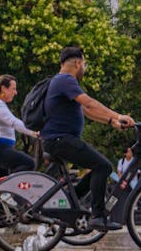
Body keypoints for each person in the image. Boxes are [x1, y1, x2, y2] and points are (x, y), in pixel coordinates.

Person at [40, 46, 135, 231]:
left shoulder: (62, 83)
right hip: (61, 140)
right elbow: (90, 103)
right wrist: (119, 115)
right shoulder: (66, 80)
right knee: (104, 166)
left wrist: (111, 121)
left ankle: (68, 203)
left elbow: (87, 111)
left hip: (60, 140)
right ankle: (97, 216)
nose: (84, 67)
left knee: (98, 168)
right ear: (77, 63)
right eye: (85, 64)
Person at [0, 74, 39, 174]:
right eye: (13, 89)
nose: (15, 92)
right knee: (29, 163)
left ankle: (2, 189)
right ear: (3, 88)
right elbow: (14, 122)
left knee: (3, 179)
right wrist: (35, 132)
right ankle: (12, 187)